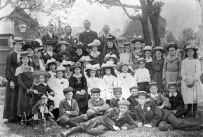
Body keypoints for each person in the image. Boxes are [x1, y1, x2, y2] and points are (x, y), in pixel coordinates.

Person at [60, 100, 137, 137]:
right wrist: (113, 125)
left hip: (106, 126)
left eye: (124, 108)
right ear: (119, 107)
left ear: (127, 108)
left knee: (95, 132)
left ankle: (80, 128)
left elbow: (134, 125)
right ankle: (68, 132)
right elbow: (106, 117)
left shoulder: (127, 116)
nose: (123, 109)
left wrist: (126, 127)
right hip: (101, 119)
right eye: (121, 107)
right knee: (86, 124)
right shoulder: (114, 110)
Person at [134, 91, 203, 131]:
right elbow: (139, 118)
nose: (141, 100)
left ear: (146, 99)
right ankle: (174, 124)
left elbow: (159, 114)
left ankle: (199, 126)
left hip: (165, 115)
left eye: (143, 98)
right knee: (161, 127)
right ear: (136, 99)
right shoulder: (136, 107)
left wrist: (152, 124)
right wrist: (141, 124)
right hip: (160, 121)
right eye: (139, 98)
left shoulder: (151, 103)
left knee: (178, 126)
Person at [3, 37, 24, 122]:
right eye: (17, 45)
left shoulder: (23, 54)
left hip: (21, 78)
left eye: (20, 45)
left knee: (20, 96)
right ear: (14, 45)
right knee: (13, 96)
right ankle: (12, 116)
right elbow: (8, 68)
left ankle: (20, 115)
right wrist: (10, 80)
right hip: (13, 78)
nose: (18, 47)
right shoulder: (11, 55)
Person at [181, 44, 203, 117]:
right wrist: (186, 80)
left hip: (195, 79)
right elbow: (182, 71)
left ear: (194, 52)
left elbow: (199, 71)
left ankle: (195, 111)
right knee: (188, 96)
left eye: (191, 51)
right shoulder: (184, 61)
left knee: (195, 96)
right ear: (186, 53)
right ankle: (189, 111)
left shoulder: (196, 61)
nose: (190, 53)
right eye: (188, 52)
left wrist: (194, 80)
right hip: (186, 79)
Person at [15, 52, 34, 120]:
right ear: (21, 60)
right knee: (24, 102)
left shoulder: (31, 68)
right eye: (23, 59)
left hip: (30, 87)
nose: (25, 60)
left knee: (31, 101)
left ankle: (30, 116)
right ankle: (23, 117)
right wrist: (26, 89)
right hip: (23, 88)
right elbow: (19, 82)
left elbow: (33, 79)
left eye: (26, 58)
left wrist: (32, 88)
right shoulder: (19, 69)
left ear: (28, 59)